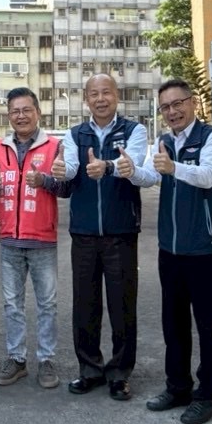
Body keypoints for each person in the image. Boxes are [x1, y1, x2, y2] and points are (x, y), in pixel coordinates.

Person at [57, 74, 149, 401]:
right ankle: (90, 370)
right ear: (86, 99)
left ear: (116, 96)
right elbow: (70, 167)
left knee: (123, 306)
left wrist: (107, 166)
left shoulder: (134, 131)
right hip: (83, 234)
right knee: (85, 305)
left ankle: (120, 374)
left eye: (106, 92)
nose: (100, 99)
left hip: (121, 232)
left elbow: (132, 164)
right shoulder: (74, 134)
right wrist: (61, 171)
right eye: (94, 94)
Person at [139, 79, 212, 424]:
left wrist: (174, 168)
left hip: (204, 249)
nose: (172, 112)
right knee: (173, 324)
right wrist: (127, 171)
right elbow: (148, 176)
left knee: (208, 326)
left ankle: (206, 395)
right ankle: (178, 388)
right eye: (165, 107)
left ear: (193, 102)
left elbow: (209, 176)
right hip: (170, 249)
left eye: (178, 104)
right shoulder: (164, 142)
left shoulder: (210, 136)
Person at [0, 87, 66, 389]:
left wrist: (44, 180)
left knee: (47, 304)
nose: (21, 116)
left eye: (26, 110)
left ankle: (46, 360)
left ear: (37, 112)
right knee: (12, 304)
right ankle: (16, 359)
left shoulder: (54, 146)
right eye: (15, 111)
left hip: (42, 239)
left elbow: (66, 188)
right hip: (9, 240)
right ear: (9, 115)